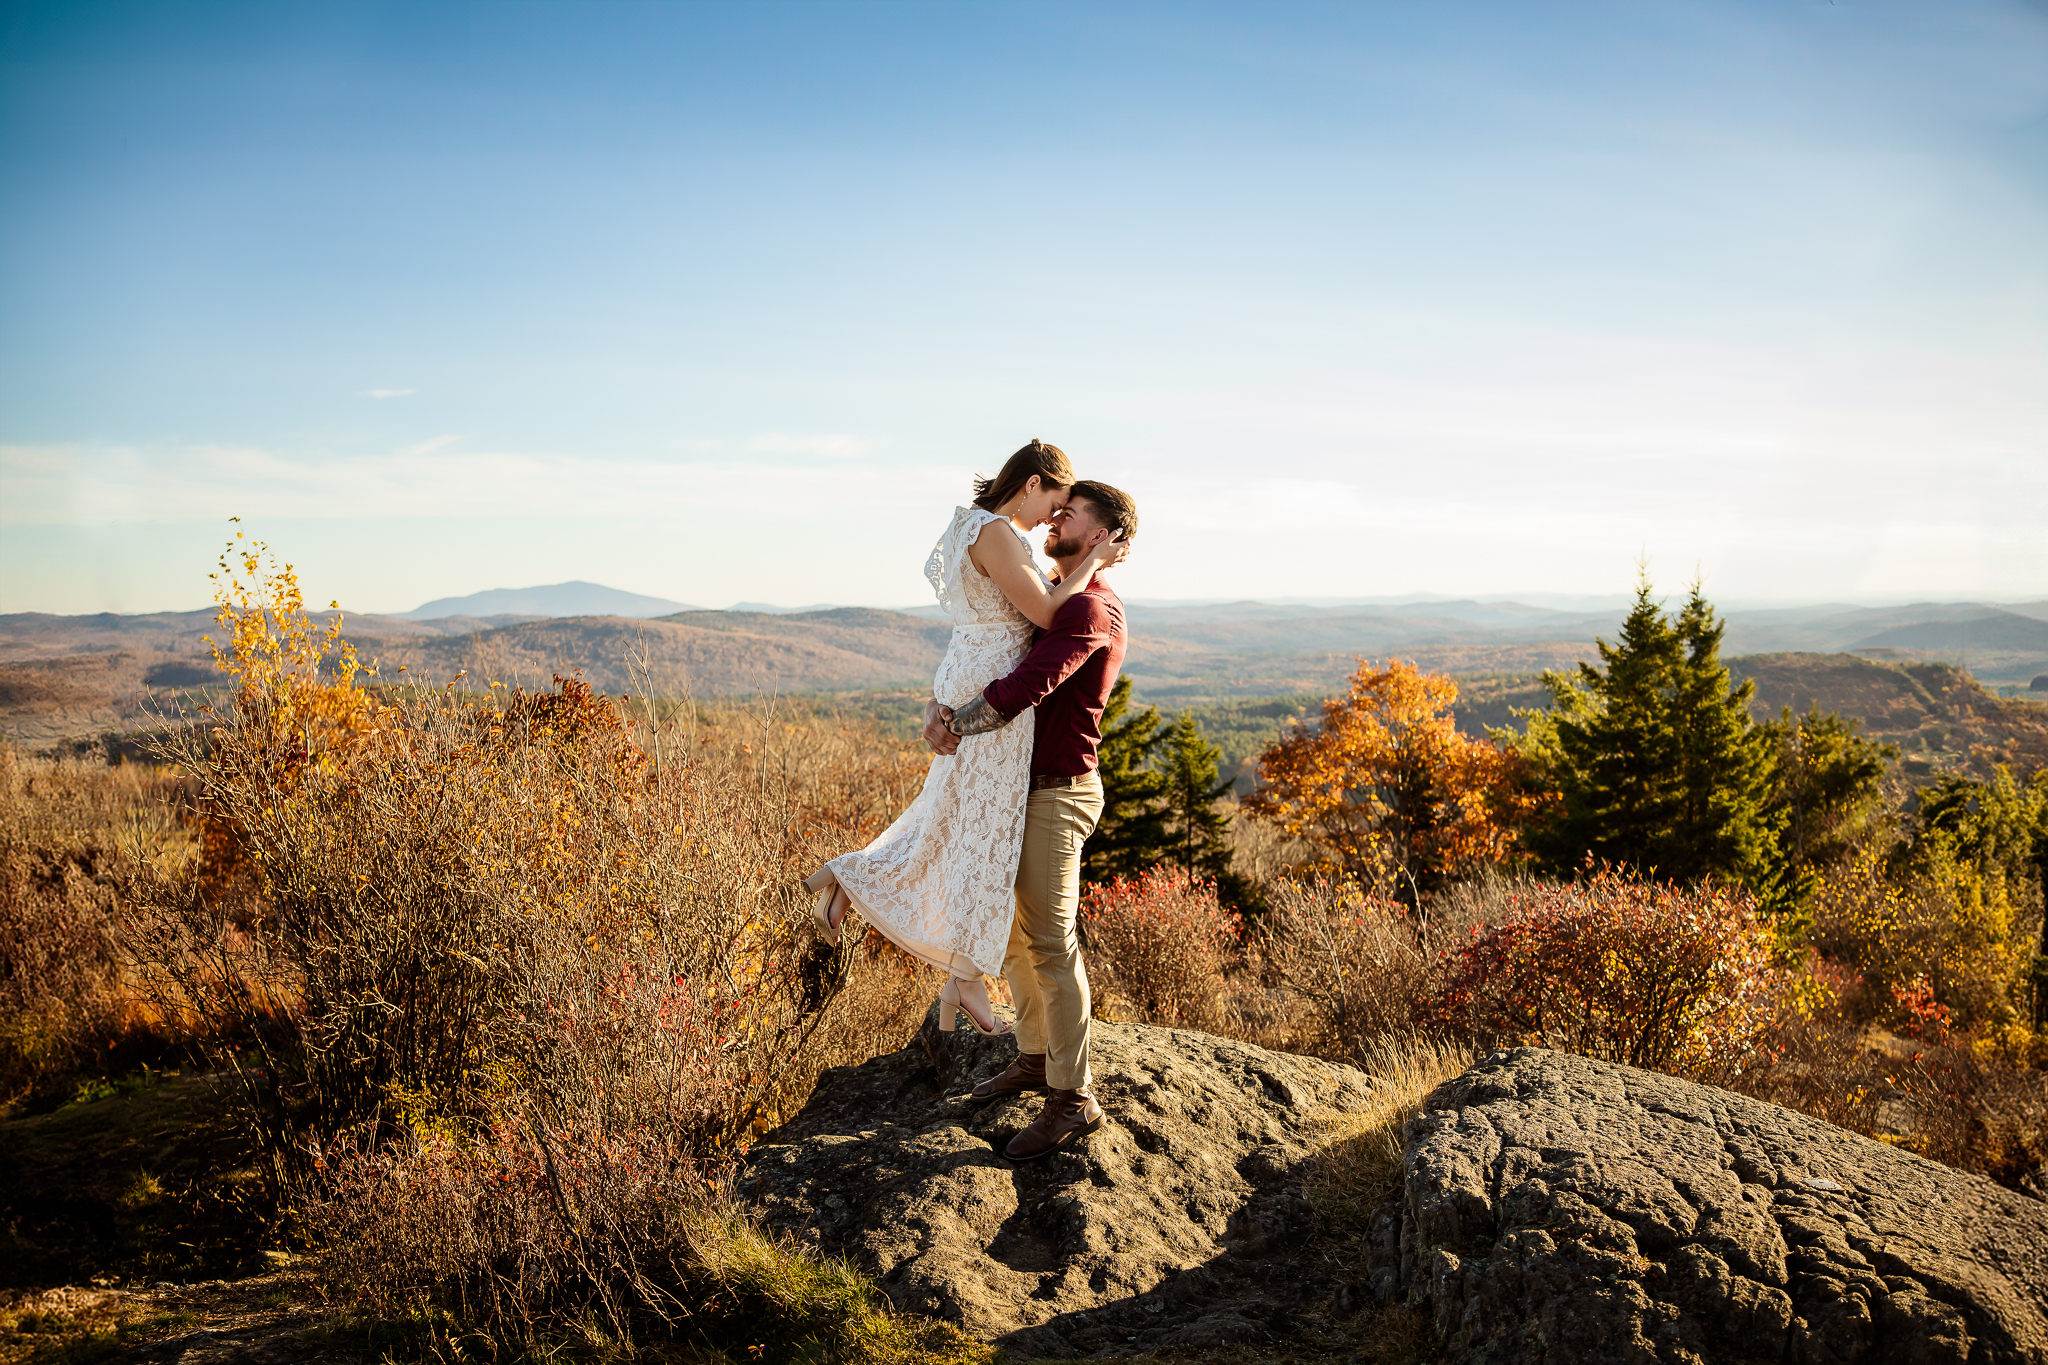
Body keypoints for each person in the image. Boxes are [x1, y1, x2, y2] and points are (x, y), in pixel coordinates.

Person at [803, 441, 1127, 1045]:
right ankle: (959, 969)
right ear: (1031, 484)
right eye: (1054, 503)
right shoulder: (1000, 534)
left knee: (954, 822)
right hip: (990, 684)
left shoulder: (970, 528)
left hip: (972, 670)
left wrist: (946, 701)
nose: (1052, 519)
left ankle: (940, 963)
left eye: (1065, 513)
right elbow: (1052, 608)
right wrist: (1092, 561)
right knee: (979, 833)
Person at [924, 479, 1137, 1162]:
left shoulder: (1088, 612)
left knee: (1050, 941)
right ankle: (1037, 1054)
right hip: (1022, 789)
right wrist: (939, 703)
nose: (1055, 518)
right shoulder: (1061, 597)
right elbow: (985, 649)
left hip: (1057, 791)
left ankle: (1073, 1098)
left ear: (1102, 535)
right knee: (1012, 932)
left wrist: (955, 723)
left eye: (1070, 515)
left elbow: (1022, 690)